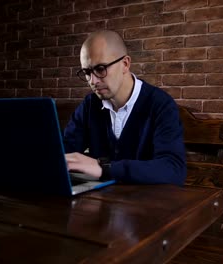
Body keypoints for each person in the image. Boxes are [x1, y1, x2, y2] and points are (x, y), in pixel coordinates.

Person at [63, 30, 186, 185]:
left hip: (146, 204)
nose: (93, 81)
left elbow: (173, 170)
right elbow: (65, 150)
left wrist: (105, 168)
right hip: (100, 202)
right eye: (87, 72)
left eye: (100, 69)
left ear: (125, 64)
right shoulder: (90, 105)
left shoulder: (161, 105)